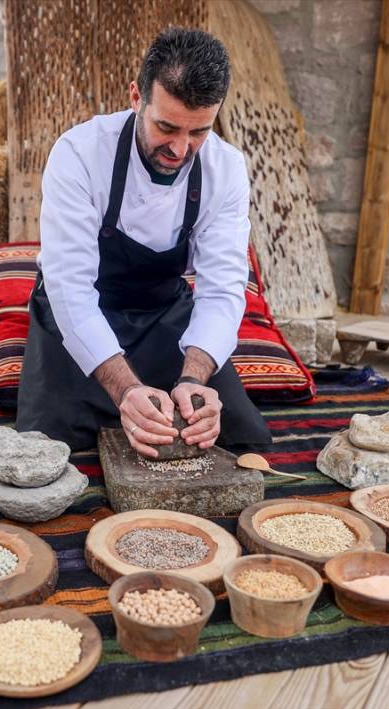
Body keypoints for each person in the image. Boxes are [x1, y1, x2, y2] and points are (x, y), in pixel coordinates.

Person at [15, 27, 272, 458]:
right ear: (137, 97)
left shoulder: (226, 169)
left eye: (198, 133)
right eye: (166, 127)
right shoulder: (79, 154)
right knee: (48, 447)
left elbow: (223, 289)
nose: (180, 149)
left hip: (162, 314)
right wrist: (126, 389)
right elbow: (70, 288)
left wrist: (193, 379)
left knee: (238, 433)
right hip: (79, 313)